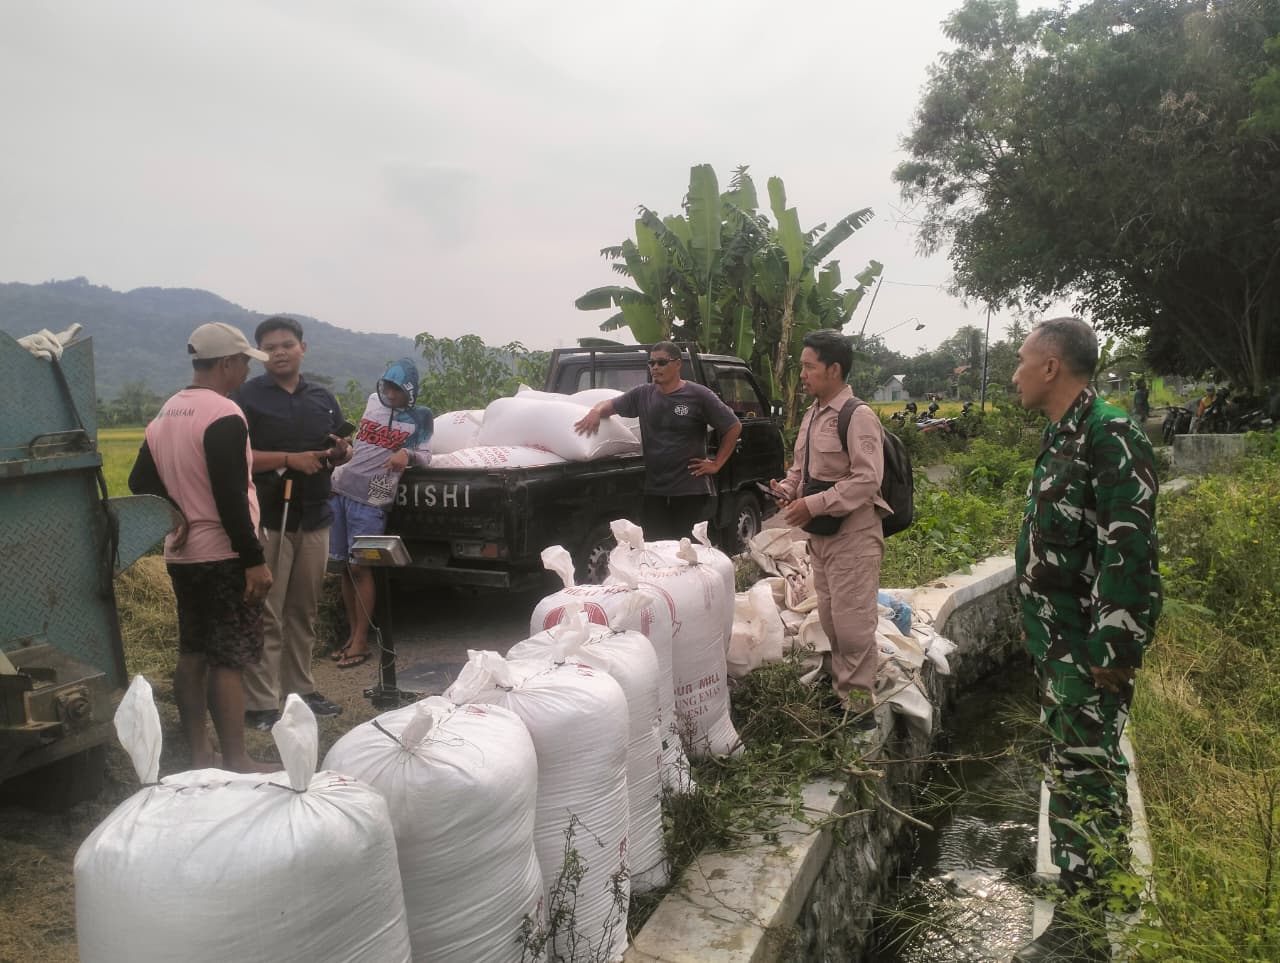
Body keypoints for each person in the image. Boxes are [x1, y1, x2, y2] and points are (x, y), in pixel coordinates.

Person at [1010, 318, 1161, 962]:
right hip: (1061, 642)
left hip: (1088, 648)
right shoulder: (1061, 434)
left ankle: (1080, 929)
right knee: (1086, 766)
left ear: (1051, 368)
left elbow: (1130, 549)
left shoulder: (1109, 432)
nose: (1014, 373)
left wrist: (1113, 650)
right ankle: (1112, 883)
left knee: (1081, 773)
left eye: (1022, 360)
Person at [128, 322, 277, 773]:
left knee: (192, 652)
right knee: (228, 659)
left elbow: (140, 482)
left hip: (183, 556)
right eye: (245, 362)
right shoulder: (223, 414)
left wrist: (179, 515)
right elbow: (231, 496)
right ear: (228, 363)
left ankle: (199, 753)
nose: (248, 370)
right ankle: (236, 759)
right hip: (225, 556)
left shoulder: (167, 413)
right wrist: (253, 561)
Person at [232, 316, 352, 730]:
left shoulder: (323, 397)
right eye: (270, 347)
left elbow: (338, 448)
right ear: (260, 353)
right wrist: (287, 459)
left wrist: (341, 453)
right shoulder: (245, 398)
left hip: (316, 515)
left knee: (304, 610)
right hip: (268, 517)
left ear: (303, 348)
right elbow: (237, 456)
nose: (280, 352)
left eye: (287, 344)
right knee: (267, 609)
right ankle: (261, 702)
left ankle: (301, 690)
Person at [769, 329, 888, 729]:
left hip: (854, 537)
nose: (802, 374)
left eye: (809, 366)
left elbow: (866, 480)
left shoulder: (858, 415)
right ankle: (845, 694)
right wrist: (787, 489)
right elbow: (801, 470)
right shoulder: (813, 414)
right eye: (801, 366)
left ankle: (859, 711)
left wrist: (813, 504)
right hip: (821, 538)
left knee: (854, 626)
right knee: (832, 619)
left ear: (834, 369)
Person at [574, 341, 742, 540]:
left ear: (678, 364)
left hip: (689, 490)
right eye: (651, 363)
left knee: (683, 547)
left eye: (661, 362)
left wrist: (716, 464)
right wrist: (596, 411)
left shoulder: (698, 395)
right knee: (655, 546)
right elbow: (609, 405)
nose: (655, 367)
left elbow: (733, 426)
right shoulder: (643, 394)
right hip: (655, 489)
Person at [328, 359, 433, 668]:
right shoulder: (373, 402)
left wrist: (406, 453)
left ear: (409, 392)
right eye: (386, 386)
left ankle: (361, 640)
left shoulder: (420, 417)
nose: (389, 393)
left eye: (396, 389)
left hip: (373, 496)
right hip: (341, 487)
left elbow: (426, 456)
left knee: (361, 567)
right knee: (345, 568)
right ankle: (351, 635)